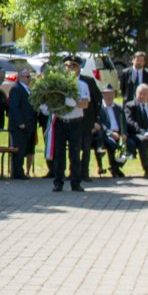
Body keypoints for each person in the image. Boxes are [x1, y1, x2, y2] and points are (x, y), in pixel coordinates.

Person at [40, 54, 94, 192]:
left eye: (73, 66)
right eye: (67, 66)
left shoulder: (82, 85)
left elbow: (85, 104)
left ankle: (75, 182)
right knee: (59, 153)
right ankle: (58, 182)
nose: (69, 69)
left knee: (75, 153)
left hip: (75, 122)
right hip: (60, 121)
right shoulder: (58, 84)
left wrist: (73, 102)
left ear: (78, 69)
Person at [92, 84, 130, 179]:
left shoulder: (119, 108)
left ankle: (117, 166)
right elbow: (100, 124)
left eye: (111, 94)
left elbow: (124, 122)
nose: (109, 96)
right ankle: (114, 168)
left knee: (131, 144)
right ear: (103, 95)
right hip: (106, 134)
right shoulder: (99, 108)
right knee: (112, 143)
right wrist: (110, 133)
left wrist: (124, 133)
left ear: (114, 95)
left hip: (119, 134)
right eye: (106, 94)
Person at [5, 71, 37, 179]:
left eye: (29, 76)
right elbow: (14, 107)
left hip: (29, 125)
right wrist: (20, 122)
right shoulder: (16, 89)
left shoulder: (28, 89)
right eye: (27, 77)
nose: (29, 79)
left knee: (25, 148)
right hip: (19, 126)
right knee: (19, 149)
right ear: (20, 77)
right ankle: (18, 172)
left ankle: (20, 171)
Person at [125, 84, 148, 178]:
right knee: (143, 140)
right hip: (136, 134)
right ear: (136, 94)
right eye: (139, 93)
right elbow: (131, 123)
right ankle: (147, 169)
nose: (142, 96)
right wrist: (146, 134)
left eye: (144, 94)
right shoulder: (130, 106)